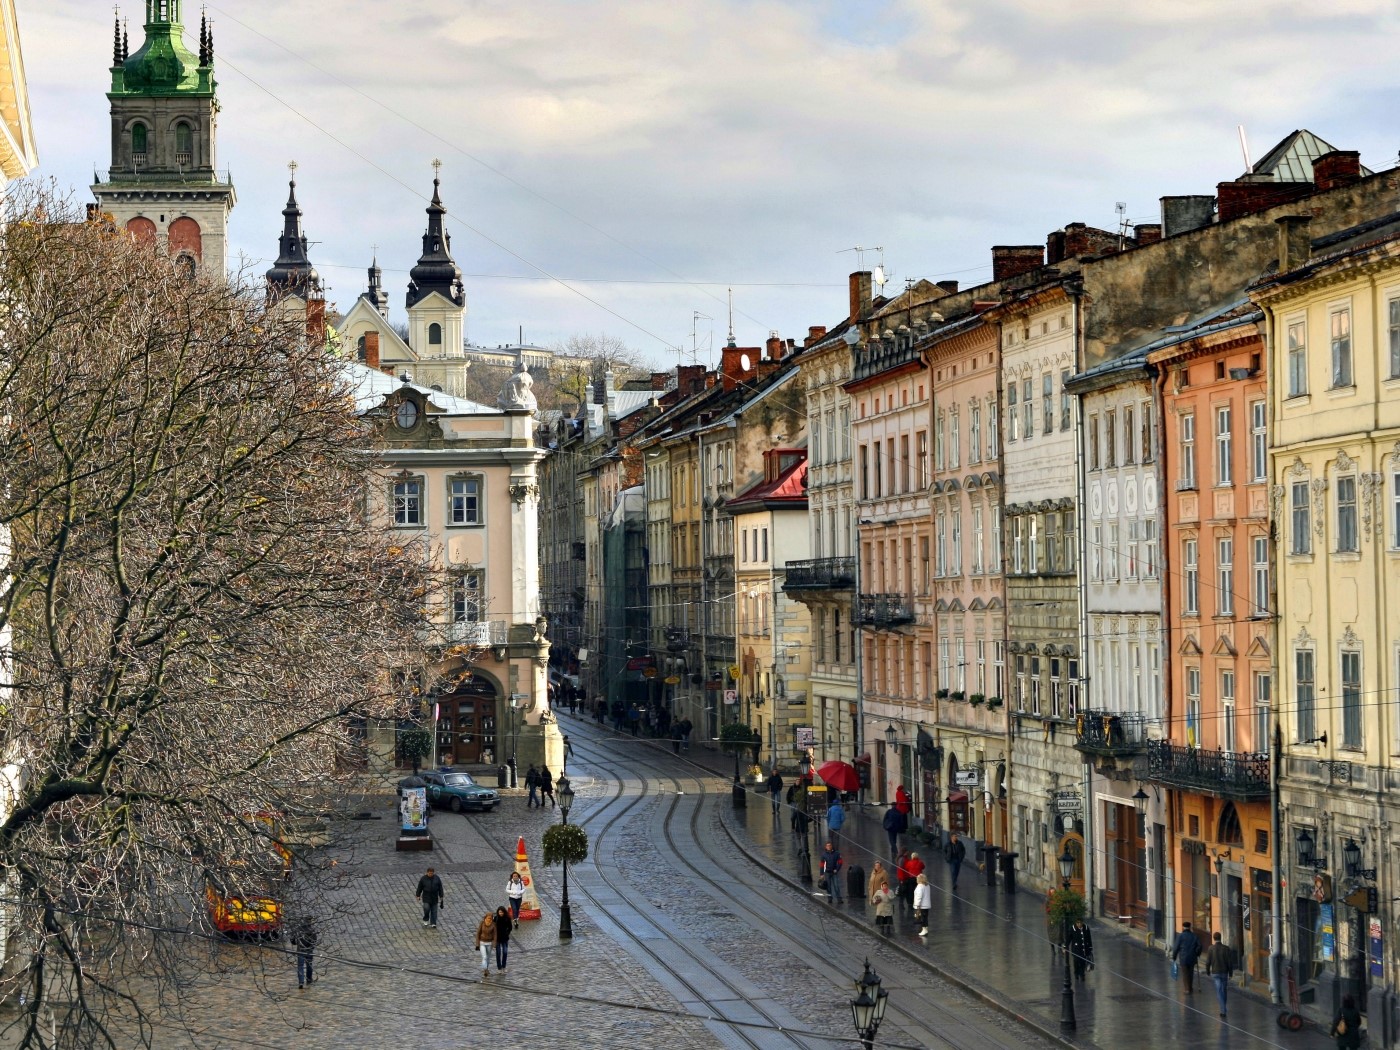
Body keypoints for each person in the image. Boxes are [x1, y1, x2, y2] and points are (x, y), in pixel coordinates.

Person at [1204, 931, 1236, 1019]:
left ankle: (1223, 1010)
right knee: (1224, 990)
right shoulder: (1226, 948)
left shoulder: (1210, 948)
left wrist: (1207, 971)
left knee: (1219, 991)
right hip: (1224, 972)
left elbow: (1208, 962)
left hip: (1215, 972)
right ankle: (1223, 1008)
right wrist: (1231, 973)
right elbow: (1229, 962)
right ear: (1220, 938)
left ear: (1214, 939)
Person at [1170, 920, 1203, 993]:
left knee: (1185, 973)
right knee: (1190, 973)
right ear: (1190, 927)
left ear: (1183, 927)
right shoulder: (1194, 936)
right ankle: (1190, 987)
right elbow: (1200, 946)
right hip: (1192, 957)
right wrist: (1197, 953)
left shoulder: (1180, 936)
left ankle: (1187, 989)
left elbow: (1176, 948)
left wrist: (1174, 957)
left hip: (1183, 957)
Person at [290, 916, 318, 989]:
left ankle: (301, 982)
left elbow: (292, 940)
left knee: (300, 966)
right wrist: (311, 947)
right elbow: (314, 941)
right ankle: (309, 980)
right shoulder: (313, 930)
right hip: (309, 950)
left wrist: (296, 943)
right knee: (309, 965)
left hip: (300, 950)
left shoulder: (298, 930)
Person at [474, 910, 497, 979]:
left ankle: (486, 968)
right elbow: (478, 933)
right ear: (485, 918)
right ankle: (485, 969)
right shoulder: (482, 923)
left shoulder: (493, 925)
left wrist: (494, 943)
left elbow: (495, 935)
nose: (489, 919)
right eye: (488, 918)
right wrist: (477, 944)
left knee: (488, 957)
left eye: (491, 918)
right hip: (482, 943)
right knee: (484, 957)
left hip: (489, 943)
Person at [492, 906, 513, 973]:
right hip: (497, 938)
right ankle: (499, 968)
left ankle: (504, 966)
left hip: (504, 938)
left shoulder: (507, 918)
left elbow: (510, 927)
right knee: (498, 953)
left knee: (505, 952)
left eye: (502, 912)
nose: (501, 913)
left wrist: (507, 933)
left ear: (504, 912)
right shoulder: (496, 918)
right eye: (499, 912)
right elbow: (493, 927)